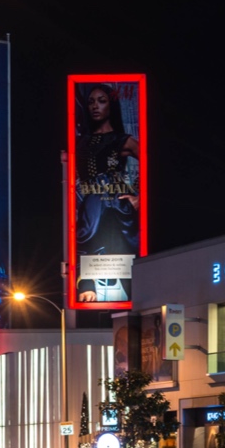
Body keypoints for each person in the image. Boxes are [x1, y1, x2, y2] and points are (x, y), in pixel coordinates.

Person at [75, 83, 140, 303]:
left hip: (116, 203)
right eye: (91, 101)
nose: (95, 106)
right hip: (91, 202)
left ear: (111, 106)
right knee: (84, 241)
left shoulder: (121, 139)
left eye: (101, 101)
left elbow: (152, 160)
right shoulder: (80, 141)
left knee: (124, 248)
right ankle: (87, 287)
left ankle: (135, 295)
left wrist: (139, 196)